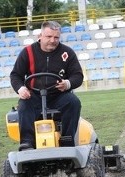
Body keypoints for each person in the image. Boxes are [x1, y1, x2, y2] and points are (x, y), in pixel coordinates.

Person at [10, 21, 84, 150]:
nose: (52, 40)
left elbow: (77, 76)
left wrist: (67, 84)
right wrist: (21, 88)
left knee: (73, 102)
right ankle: (27, 142)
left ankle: (67, 140)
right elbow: (16, 75)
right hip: (35, 95)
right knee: (23, 104)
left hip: (58, 95)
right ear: (40, 35)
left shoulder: (67, 53)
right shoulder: (27, 52)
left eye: (56, 37)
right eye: (49, 37)